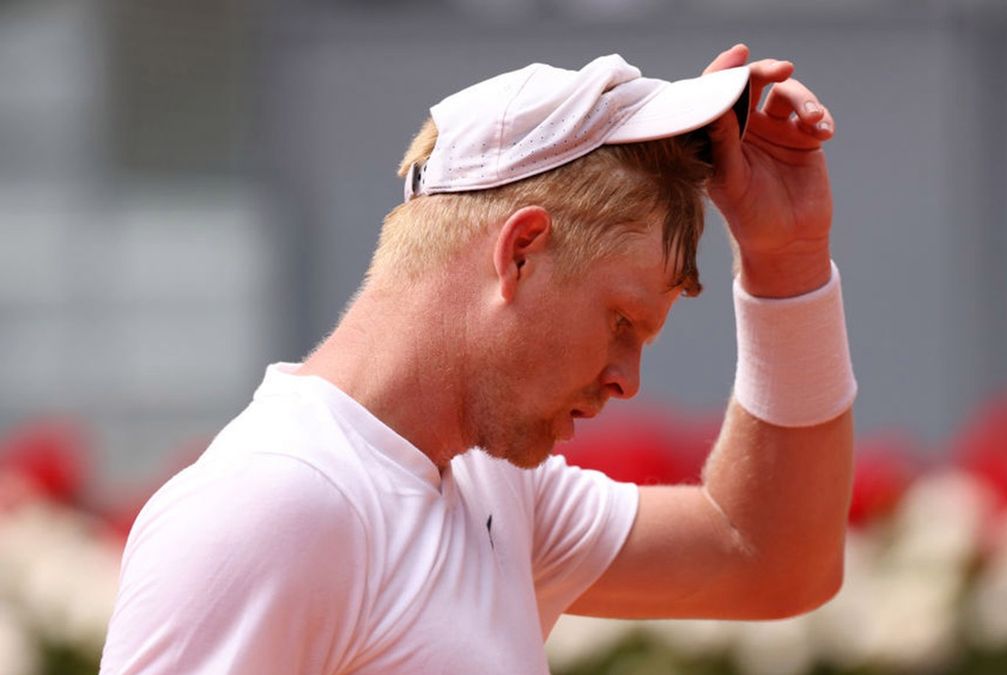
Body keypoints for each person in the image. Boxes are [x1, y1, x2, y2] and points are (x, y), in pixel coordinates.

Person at [99, 44, 857, 674]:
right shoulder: (276, 506)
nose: (628, 378)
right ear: (521, 252)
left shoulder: (488, 483)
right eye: (621, 319)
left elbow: (771, 556)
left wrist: (787, 258)